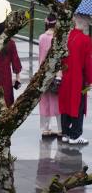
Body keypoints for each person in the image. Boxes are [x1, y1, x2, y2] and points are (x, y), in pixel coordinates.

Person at [58, 16, 92, 145]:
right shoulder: (86, 40)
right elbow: (88, 63)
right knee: (79, 104)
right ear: (84, 24)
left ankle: (66, 133)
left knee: (66, 103)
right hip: (80, 79)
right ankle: (76, 135)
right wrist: (90, 80)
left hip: (66, 76)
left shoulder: (67, 36)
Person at [38, 16, 60, 138]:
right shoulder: (58, 39)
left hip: (43, 74)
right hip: (56, 73)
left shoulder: (42, 37)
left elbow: (40, 57)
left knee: (44, 101)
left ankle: (46, 129)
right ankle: (61, 129)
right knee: (57, 102)